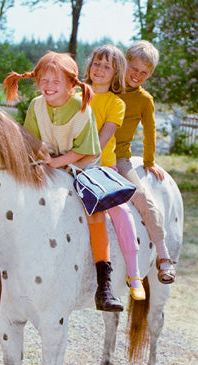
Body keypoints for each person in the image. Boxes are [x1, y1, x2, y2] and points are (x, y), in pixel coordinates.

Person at [3, 51, 123, 311]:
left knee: (95, 213)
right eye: (43, 80)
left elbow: (86, 149)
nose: (48, 86)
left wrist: (56, 163)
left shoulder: (82, 109)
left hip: (82, 164)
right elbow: (32, 140)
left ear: (71, 85)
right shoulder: (36, 106)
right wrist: (41, 153)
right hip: (50, 161)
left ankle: (104, 283)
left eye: (55, 81)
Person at [84, 44, 146, 300]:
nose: (99, 69)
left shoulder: (116, 103)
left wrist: (75, 162)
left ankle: (133, 273)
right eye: (96, 63)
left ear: (116, 72)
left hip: (101, 167)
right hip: (69, 163)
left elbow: (99, 143)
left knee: (120, 209)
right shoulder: (76, 94)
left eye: (106, 66)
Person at [115, 40, 176, 284]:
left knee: (143, 200)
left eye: (144, 73)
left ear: (150, 74)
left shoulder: (144, 100)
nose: (138, 76)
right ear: (125, 64)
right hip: (89, 153)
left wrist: (149, 161)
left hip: (119, 158)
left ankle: (163, 256)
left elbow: (150, 133)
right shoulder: (107, 87)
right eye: (134, 69)